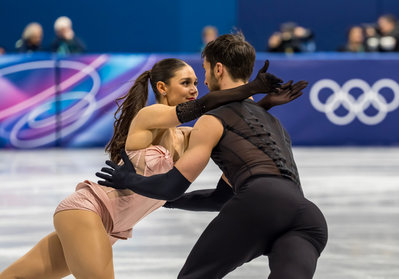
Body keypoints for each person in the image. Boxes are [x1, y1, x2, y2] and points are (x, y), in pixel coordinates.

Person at [0, 57, 304, 278]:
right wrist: (251, 88)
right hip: (86, 212)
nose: (194, 89)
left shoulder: (186, 137)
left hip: (110, 228)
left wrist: (264, 105)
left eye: (196, 82)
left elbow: (225, 126)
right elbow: (201, 108)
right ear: (161, 86)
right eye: (185, 83)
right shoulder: (149, 117)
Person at [97, 34, 328, 279]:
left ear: (218, 69)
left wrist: (129, 181)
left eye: (205, 72)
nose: (203, 82)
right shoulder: (274, 123)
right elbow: (221, 198)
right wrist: (164, 201)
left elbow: (171, 186)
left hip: (261, 203)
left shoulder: (212, 119)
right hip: (308, 218)